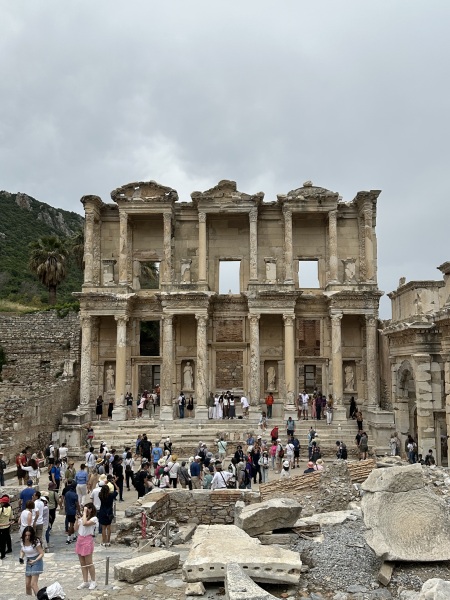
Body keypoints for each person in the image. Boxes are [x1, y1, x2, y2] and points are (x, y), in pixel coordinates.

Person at [74, 502, 98, 590]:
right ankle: (85, 581)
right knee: (82, 563)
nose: (85, 511)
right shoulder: (82, 518)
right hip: (80, 540)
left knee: (89, 563)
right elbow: (75, 529)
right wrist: (77, 519)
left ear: (91, 509)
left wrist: (84, 512)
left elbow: (85, 523)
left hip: (87, 540)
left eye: (87, 509)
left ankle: (93, 581)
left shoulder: (94, 519)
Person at [20, 526, 44, 596]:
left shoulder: (36, 541)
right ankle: (29, 597)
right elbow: (22, 550)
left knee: (33, 584)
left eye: (29, 535)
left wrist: (35, 560)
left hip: (37, 561)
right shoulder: (22, 541)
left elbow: (42, 553)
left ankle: (40, 597)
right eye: (26, 535)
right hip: (28, 562)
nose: (27, 537)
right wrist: (21, 557)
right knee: (27, 584)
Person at [98, 478, 119, 546]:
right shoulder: (111, 495)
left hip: (102, 512)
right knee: (108, 528)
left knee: (103, 528)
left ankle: (104, 542)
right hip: (109, 512)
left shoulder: (100, 495)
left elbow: (101, 492)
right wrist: (114, 483)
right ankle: (108, 541)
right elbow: (117, 490)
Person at [0, 494, 12, 559]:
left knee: (2, 542)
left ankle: (2, 555)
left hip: (1, 527)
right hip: (7, 526)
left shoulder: (1, 510)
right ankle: (8, 549)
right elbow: (11, 517)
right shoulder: (10, 508)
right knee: (6, 539)